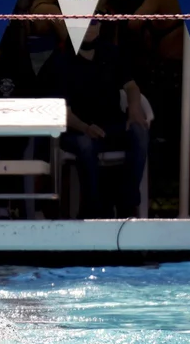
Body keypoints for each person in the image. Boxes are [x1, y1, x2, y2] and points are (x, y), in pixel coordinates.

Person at [45, 18, 150, 218]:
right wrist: (85, 127)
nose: (88, 28)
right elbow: (62, 111)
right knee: (85, 144)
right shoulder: (61, 60)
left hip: (111, 124)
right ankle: (93, 209)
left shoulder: (110, 52)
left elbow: (131, 86)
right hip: (77, 128)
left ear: (100, 26)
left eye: (93, 22)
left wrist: (134, 108)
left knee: (139, 131)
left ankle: (128, 202)